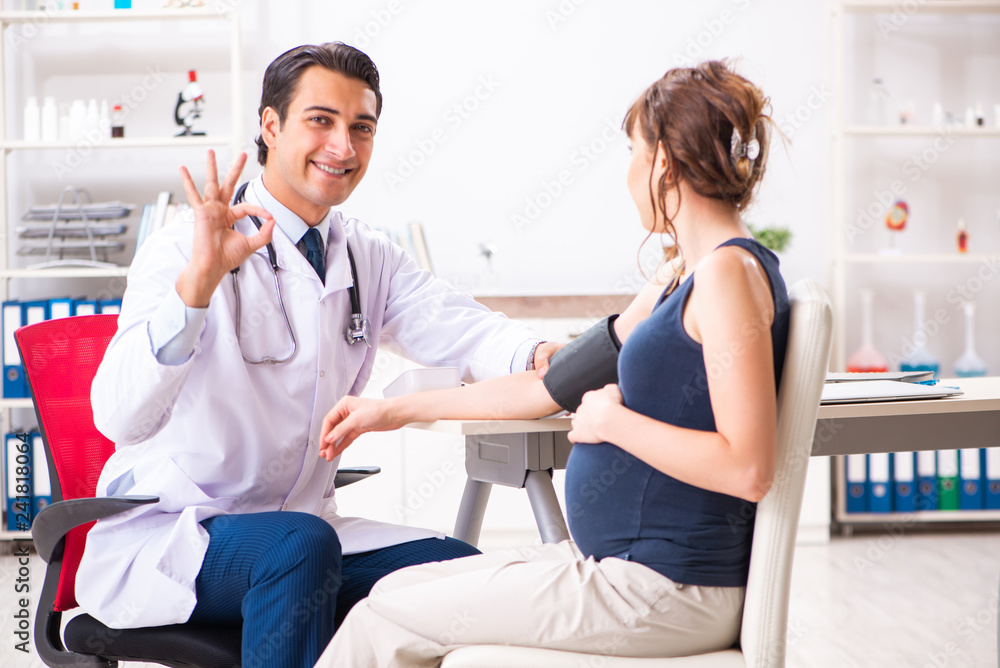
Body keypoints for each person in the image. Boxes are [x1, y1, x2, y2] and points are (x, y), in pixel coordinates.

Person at [75, 42, 557, 668]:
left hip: (305, 531)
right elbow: (118, 418)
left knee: (454, 572)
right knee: (296, 547)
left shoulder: (366, 256)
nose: (343, 147)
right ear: (271, 126)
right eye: (321, 120)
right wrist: (196, 289)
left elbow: (460, 328)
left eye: (362, 128)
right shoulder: (181, 251)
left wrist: (542, 352)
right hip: (179, 536)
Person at [312, 59, 790, 666]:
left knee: (382, 617)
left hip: (659, 591)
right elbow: (547, 387)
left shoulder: (726, 275)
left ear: (663, 162)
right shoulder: (681, 277)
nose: (628, 173)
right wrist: (394, 409)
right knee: (394, 592)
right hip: (621, 572)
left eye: (633, 151)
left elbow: (749, 468)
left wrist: (614, 425)